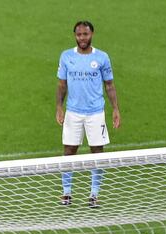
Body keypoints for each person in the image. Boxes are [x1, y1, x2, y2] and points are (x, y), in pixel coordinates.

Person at [56, 20, 121, 208]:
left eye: (85, 34)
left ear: (91, 34)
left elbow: (109, 85)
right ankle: (67, 193)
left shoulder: (102, 57)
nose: (82, 38)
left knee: (97, 153)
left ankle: (94, 194)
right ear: (75, 36)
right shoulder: (66, 56)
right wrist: (59, 107)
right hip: (73, 113)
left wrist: (115, 108)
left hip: (95, 113)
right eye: (79, 34)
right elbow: (62, 84)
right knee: (69, 152)